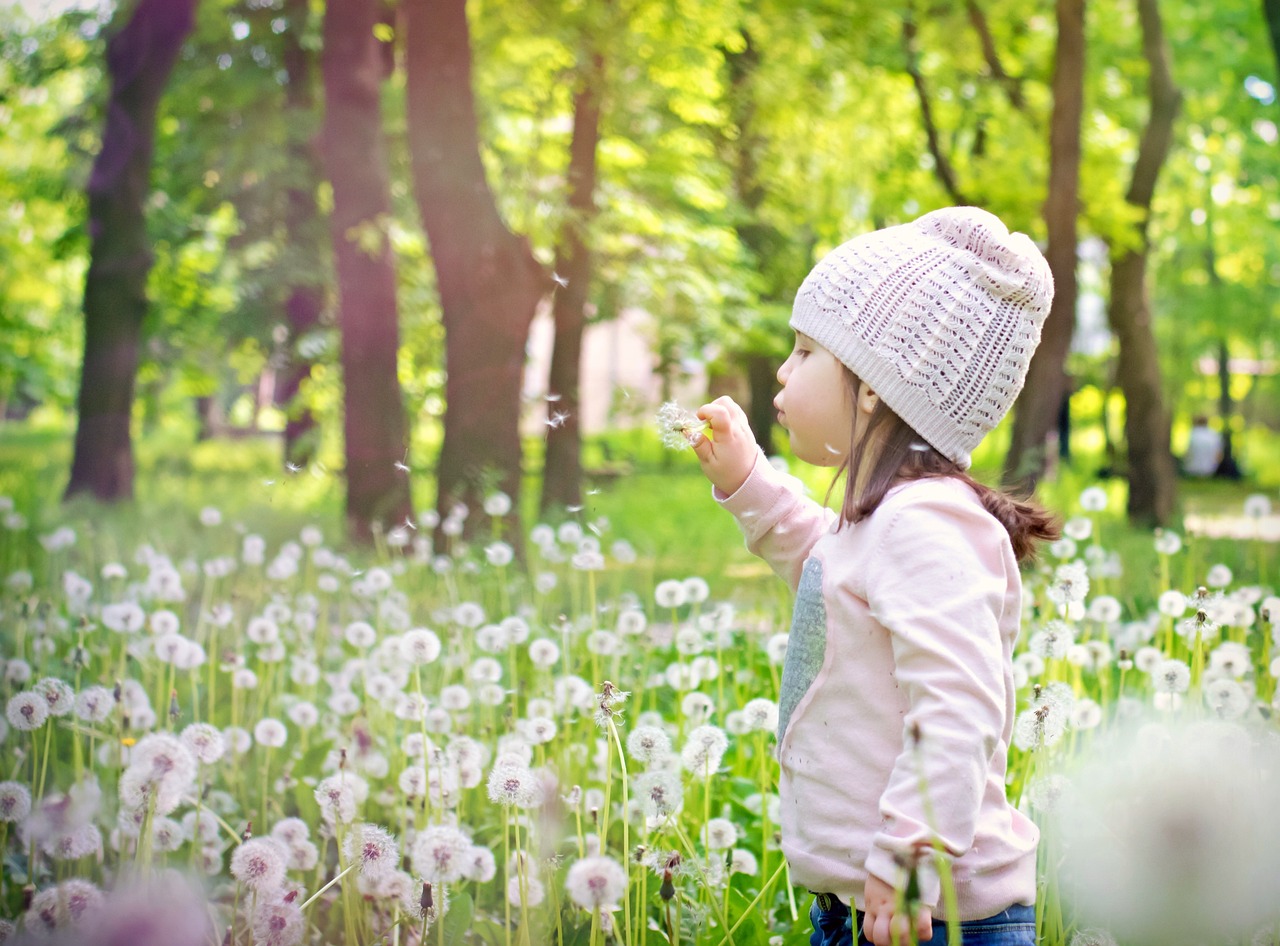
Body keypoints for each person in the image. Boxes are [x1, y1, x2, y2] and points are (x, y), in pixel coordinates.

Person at [688, 207, 1059, 946]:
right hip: (869, 907)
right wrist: (749, 481)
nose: (782, 372)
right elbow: (824, 567)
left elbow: (959, 703)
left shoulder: (925, 524)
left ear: (873, 387)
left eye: (805, 352)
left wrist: (913, 854)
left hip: (934, 915)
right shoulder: (886, 522)